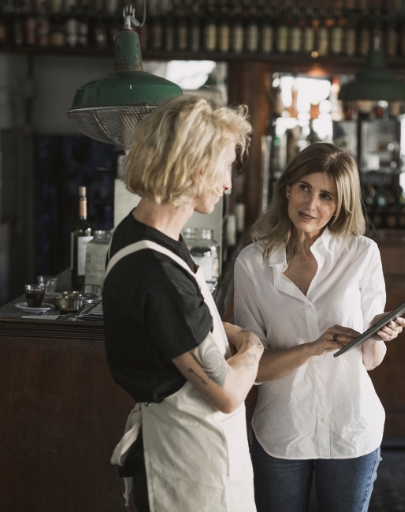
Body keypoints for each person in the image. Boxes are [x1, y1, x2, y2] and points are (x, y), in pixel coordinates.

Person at [103, 95, 263, 512]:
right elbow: (228, 395)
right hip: (189, 471)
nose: (228, 183)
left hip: (195, 456)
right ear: (197, 168)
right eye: (225, 166)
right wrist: (254, 345)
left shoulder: (143, 233)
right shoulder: (157, 273)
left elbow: (189, 326)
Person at [234, 142, 405, 512]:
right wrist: (311, 347)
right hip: (282, 429)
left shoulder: (362, 254)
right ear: (287, 188)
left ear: (340, 204)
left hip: (351, 426)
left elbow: (371, 361)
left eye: (326, 196)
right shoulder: (251, 262)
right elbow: (254, 369)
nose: (311, 205)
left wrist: (377, 331)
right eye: (304, 188)